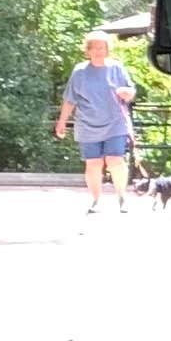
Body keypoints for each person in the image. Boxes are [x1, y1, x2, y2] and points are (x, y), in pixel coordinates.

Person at [55, 31, 142, 212]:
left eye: (101, 47)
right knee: (93, 163)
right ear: (87, 51)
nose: (98, 51)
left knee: (115, 160)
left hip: (115, 122)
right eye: (93, 48)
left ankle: (122, 197)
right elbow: (70, 99)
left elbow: (131, 91)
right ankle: (96, 200)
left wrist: (127, 93)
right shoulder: (79, 72)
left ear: (107, 49)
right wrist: (62, 121)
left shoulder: (117, 68)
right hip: (87, 124)